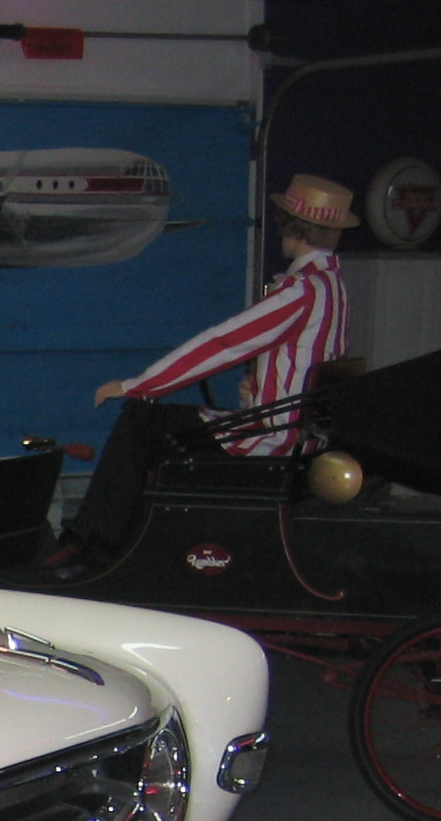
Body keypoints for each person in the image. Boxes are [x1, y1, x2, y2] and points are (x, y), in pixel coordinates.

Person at [48, 173, 358, 569]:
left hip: (270, 439)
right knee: (157, 425)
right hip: (295, 435)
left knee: (141, 418)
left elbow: (223, 343)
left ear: (291, 225)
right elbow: (307, 363)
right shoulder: (334, 287)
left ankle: (92, 545)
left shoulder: (301, 291)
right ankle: (114, 543)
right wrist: (258, 389)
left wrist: (137, 385)